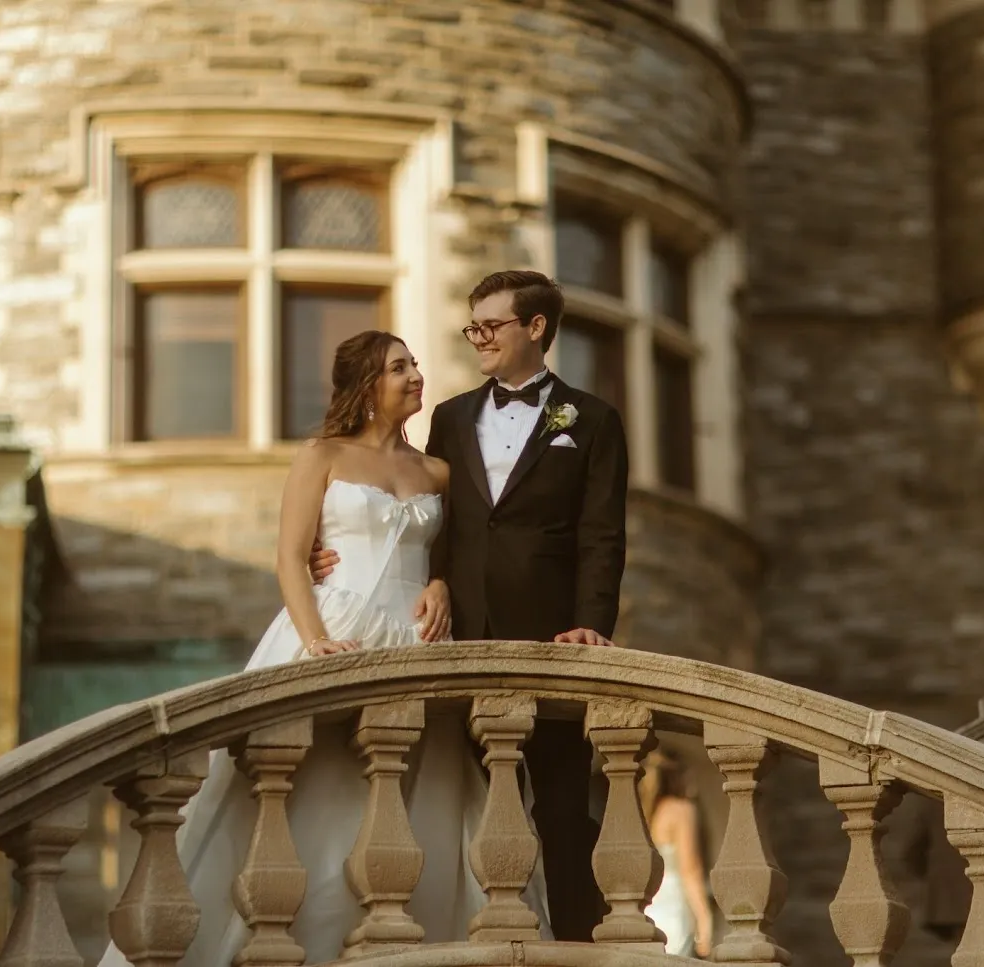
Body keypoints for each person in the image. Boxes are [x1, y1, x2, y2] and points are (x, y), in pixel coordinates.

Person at [96, 330, 550, 967]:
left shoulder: (439, 472)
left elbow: (471, 547)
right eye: (400, 368)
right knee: (316, 798)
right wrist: (314, 640)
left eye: (415, 364)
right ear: (367, 387)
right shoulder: (322, 456)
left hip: (418, 643)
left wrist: (441, 580)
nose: (416, 375)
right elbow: (289, 557)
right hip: (336, 624)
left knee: (424, 802)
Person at [310, 270, 629, 941]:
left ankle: (572, 940)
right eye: (472, 326)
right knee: (457, 797)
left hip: (551, 638)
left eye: (490, 325)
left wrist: (591, 625)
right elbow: (434, 521)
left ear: (534, 328)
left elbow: (602, 534)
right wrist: (421, 575)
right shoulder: (451, 418)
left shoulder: (593, 420)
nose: (477, 337)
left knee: (564, 803)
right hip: (453, 637)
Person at [640, 750, 714, 958]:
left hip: (646, 909)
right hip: (673, 909)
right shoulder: (680, 810)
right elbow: (690, 870)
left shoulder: (643, 812)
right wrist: (704, 920)